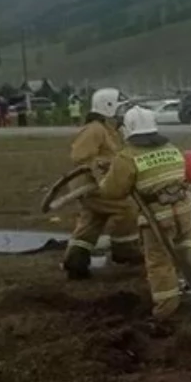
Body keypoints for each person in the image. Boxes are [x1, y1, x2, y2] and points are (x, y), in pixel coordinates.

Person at [98, 105, 191, 319]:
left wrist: (105, 175)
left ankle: (166, 307)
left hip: (158, 216)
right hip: (184, 207)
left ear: (127, 129)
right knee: (185, 237)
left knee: (159, 261)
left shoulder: (127, 157)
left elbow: (112, 191)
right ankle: (189, 255)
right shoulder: (171, 148)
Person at [62, 87, 144, 279]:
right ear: (108, 107)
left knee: (93, 219)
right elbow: (80, 156)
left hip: (95, 186)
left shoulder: (108, 129)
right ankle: (124, 250)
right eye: (119, 107)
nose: (122, 112)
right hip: (92, 186)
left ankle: (76, 261)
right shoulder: (94, 130)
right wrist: (103, 165)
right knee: (127, 208)